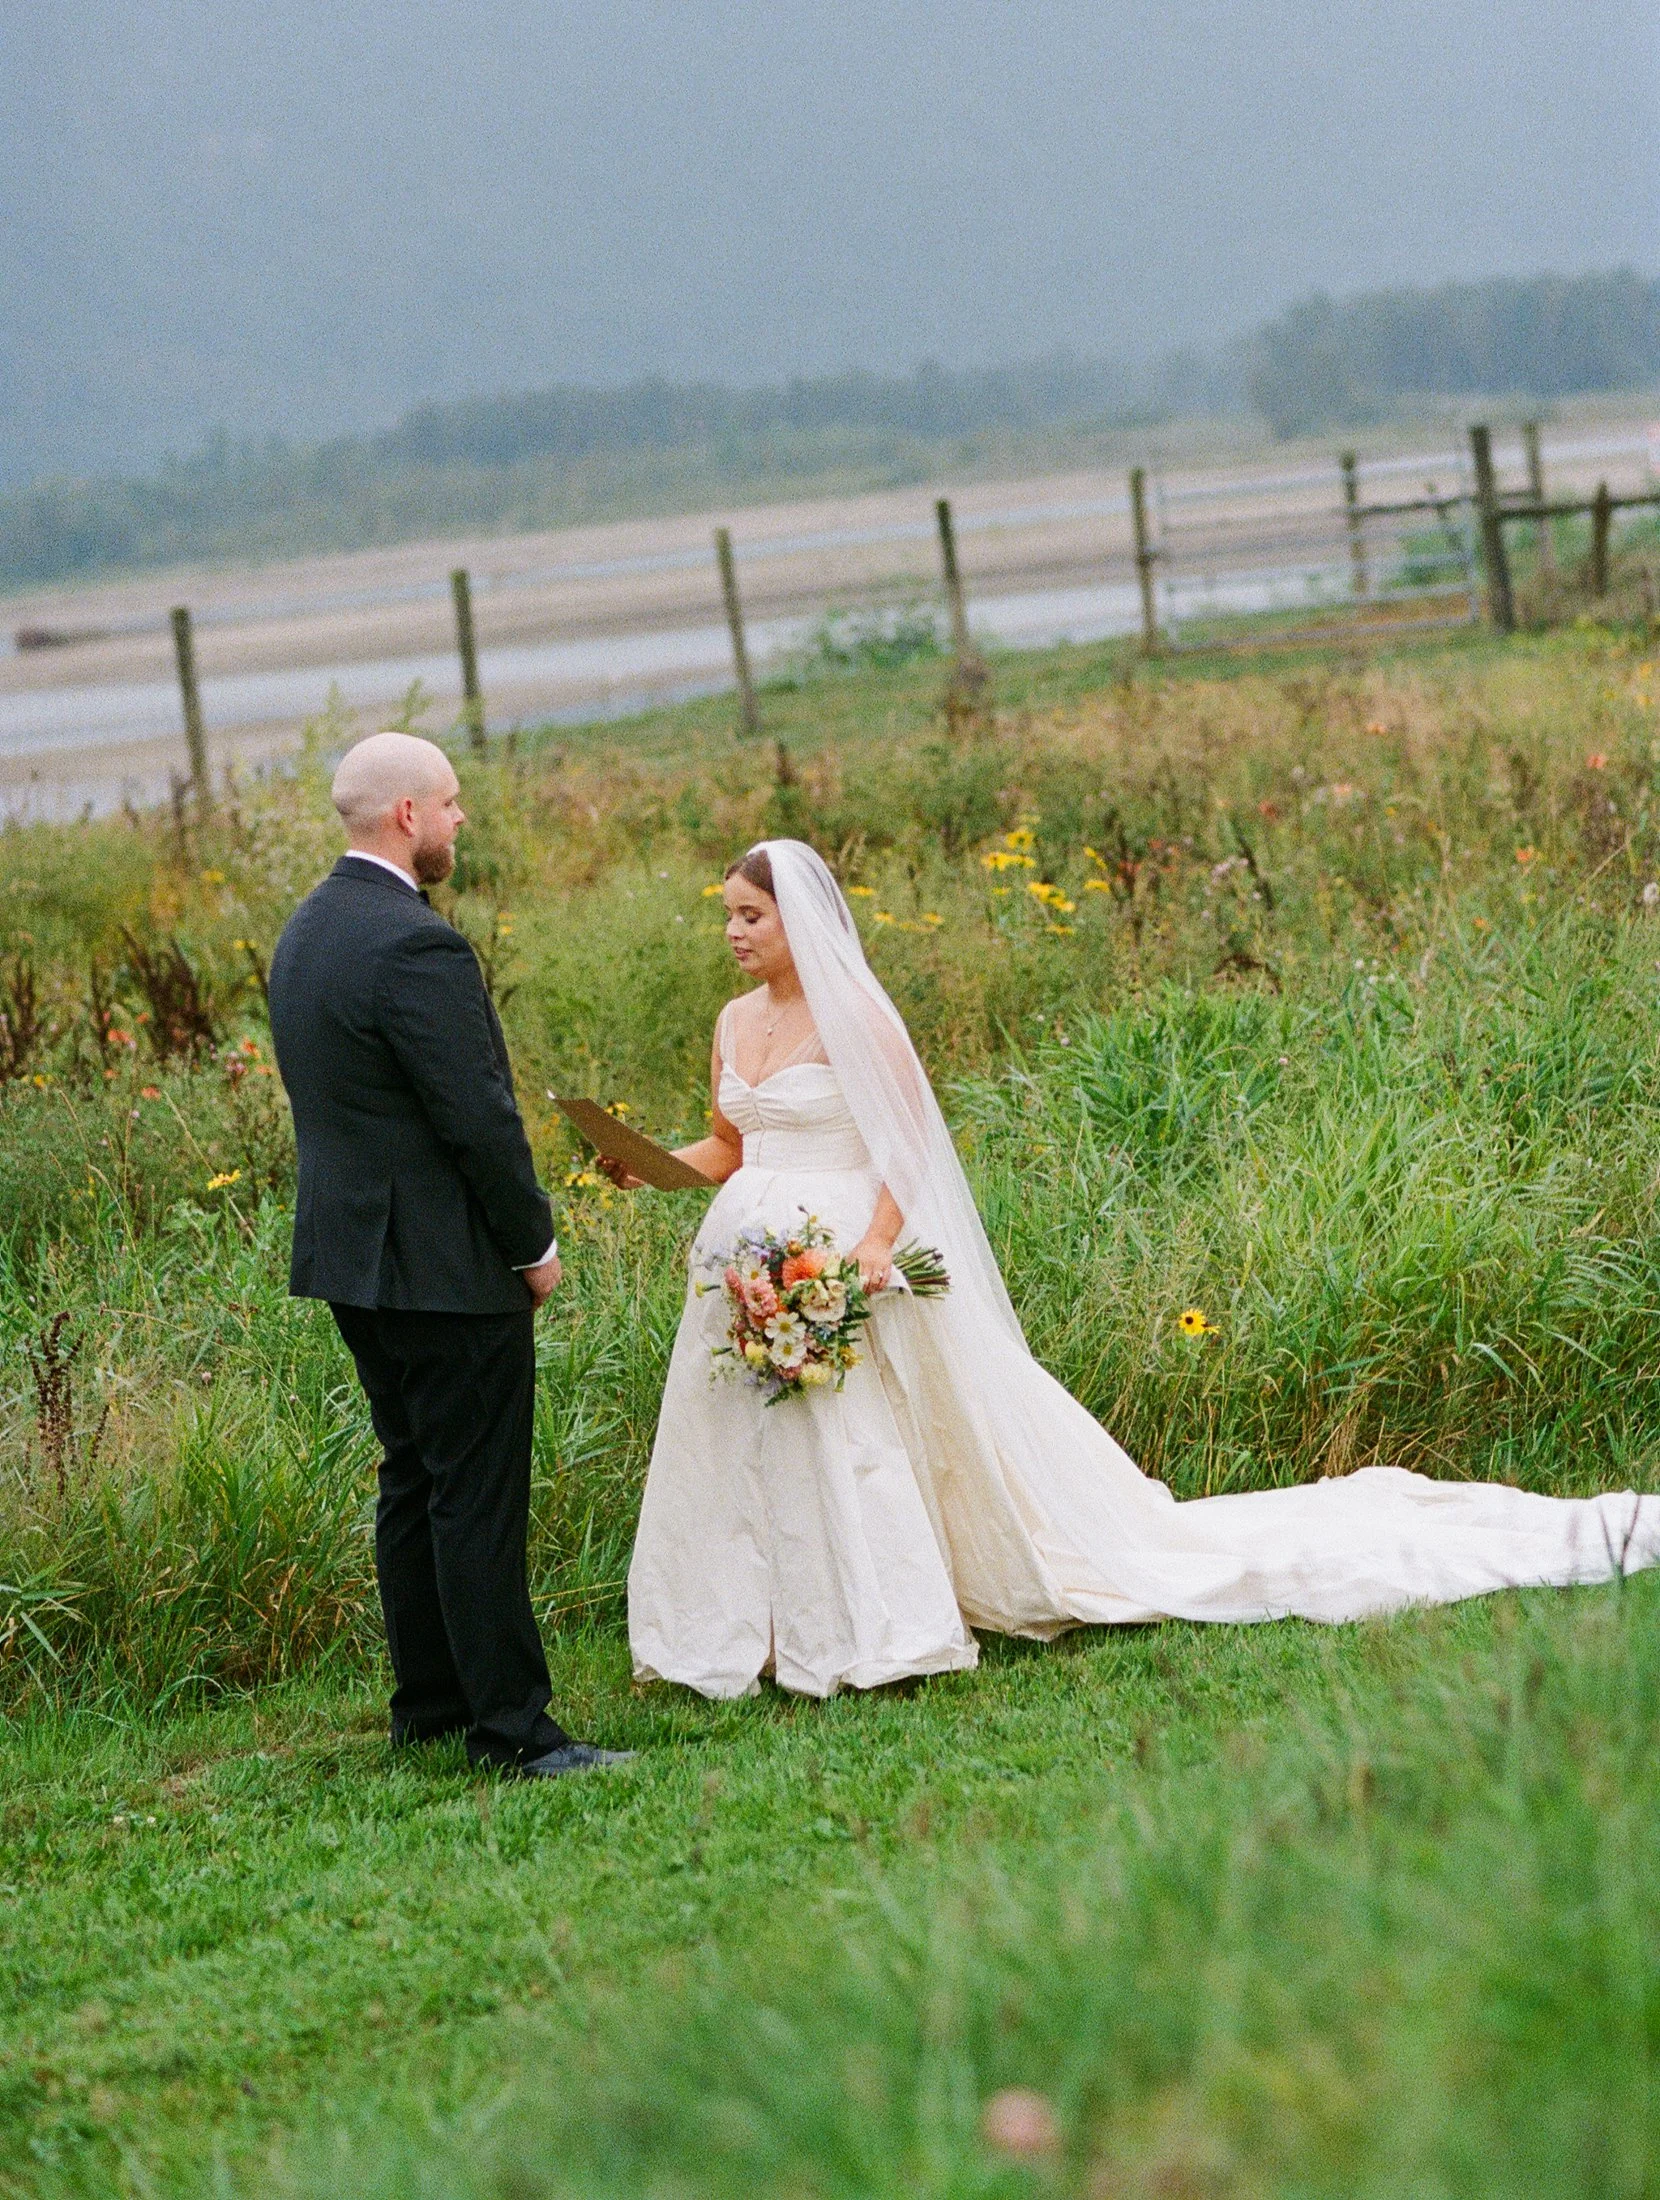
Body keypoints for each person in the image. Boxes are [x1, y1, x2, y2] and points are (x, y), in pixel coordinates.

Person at [620, 838, 1660, 1700]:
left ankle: (869, 1622)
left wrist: (876, 1246)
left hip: (841, 1252)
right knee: (749, 1441)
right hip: (743, 1261)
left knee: (854, 1440)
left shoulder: (860, 1018)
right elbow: (727, 1146)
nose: (731, 933)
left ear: (797, 920)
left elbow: (909, 1145)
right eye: (727, 916)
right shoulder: (731, 1022)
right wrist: (645, 1167)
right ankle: (745, 1625)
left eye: (747, 916)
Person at [269, 731, 631, 1777]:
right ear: (407, 817)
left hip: (350, 1259)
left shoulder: (309, 929)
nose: (462, 817)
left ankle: (428, 1703)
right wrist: (534, 1244)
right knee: (475, 1489)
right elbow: (477, 1118)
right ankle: (515, 1730)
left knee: (415, 1479)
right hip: (440, 1263)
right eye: (452, 801)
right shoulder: (417, 945)